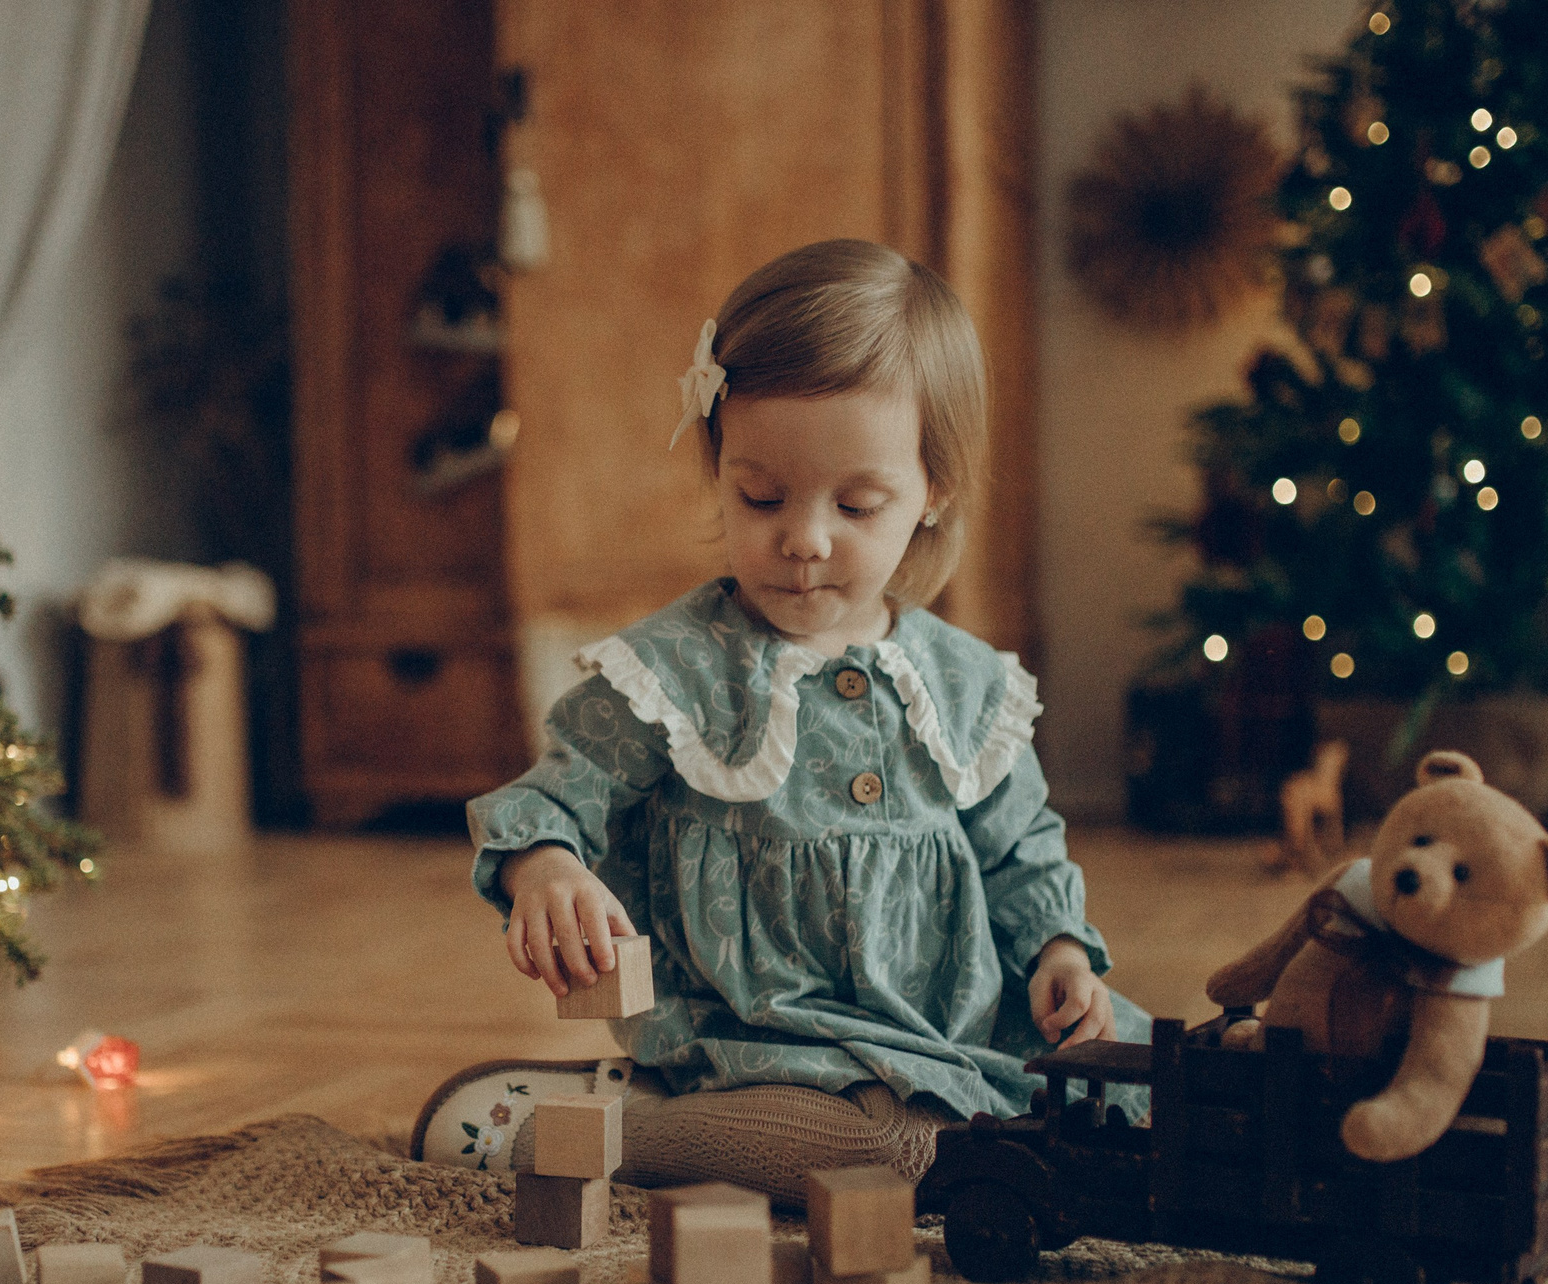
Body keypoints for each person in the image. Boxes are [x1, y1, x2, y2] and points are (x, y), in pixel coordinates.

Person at [412, 239, 1145, 1202]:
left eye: (857, 502)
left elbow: (1021, 855)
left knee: (1135, 1085)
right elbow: (550, 801)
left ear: (935, 490)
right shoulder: (676, 671)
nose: (803, 537)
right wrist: (545, 867)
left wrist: (1058, 953)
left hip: (957, 1031)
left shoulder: (966, 685)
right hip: (761, 1040)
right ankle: (606, 1129)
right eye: (761, 495)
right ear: (720, 465)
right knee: (899, 1157)